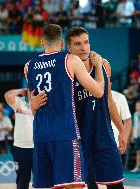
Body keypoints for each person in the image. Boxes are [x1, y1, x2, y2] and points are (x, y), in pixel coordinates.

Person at [25, 24, 105, 189]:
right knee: (73, 186)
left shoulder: (29, 66)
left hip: (40, 135)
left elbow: (32, 106)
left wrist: (31, 104)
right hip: (65, 134)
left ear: (42, 42)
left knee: (45, 186)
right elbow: (98, 92)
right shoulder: (70, 59)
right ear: (62, 43)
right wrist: (98, 67)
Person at [66, 26, 128, 189]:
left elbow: (109, 101)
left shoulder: (103, 64)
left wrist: (121, 130)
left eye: (86, 42)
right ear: (69, 48)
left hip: (104, 137)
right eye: (78, 44)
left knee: (116, 185)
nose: (83, 47)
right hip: (80, 140)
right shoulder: (66, 71)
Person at [4, 88, 46, 189]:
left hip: (38, 147)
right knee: (22, 179)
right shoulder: (20, 102)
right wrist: (21, 91)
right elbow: (7, 95)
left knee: (42, 179)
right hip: (20, 147)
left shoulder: (43, 103)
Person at [111, 90, 132, 168]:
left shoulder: (119, 97)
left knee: (112, 174)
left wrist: (124, 139)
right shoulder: (87, 94)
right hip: (91, 141)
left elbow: (127, 120)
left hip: (114, 141)